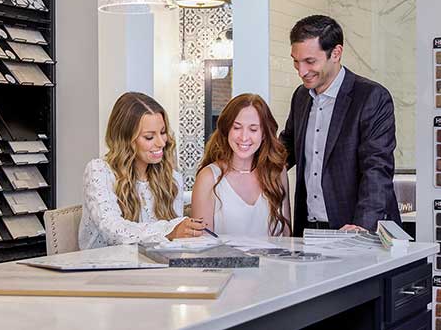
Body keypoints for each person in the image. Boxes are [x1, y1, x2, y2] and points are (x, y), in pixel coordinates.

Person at [280, 15, 401, 237]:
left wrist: (363, 225)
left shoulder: (371, 97)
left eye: (310, 61)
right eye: (296, 61)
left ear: (336, 53)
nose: (301, 71)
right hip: (309, 229)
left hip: (356, 228)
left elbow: (377, 169)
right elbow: (286, 147)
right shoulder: (301, 96)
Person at [78, 92, 205, 249]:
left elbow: (173, 243)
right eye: (149, 137)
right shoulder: (99, 171)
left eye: (163, 132)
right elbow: (112, 229)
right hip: (103, 268)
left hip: (152, 269)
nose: (161, 143)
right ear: (125, 139)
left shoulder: (171, 177)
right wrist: (168, 231)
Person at [192, 94, 291, 237]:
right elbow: (202, 245)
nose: (244, 137)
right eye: (237, 127)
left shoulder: (277, 172)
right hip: (224, 260)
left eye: (253, 129)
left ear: (264, 134)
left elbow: (287, 238)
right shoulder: (208, 177)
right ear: (227, 130)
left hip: (274, 260)